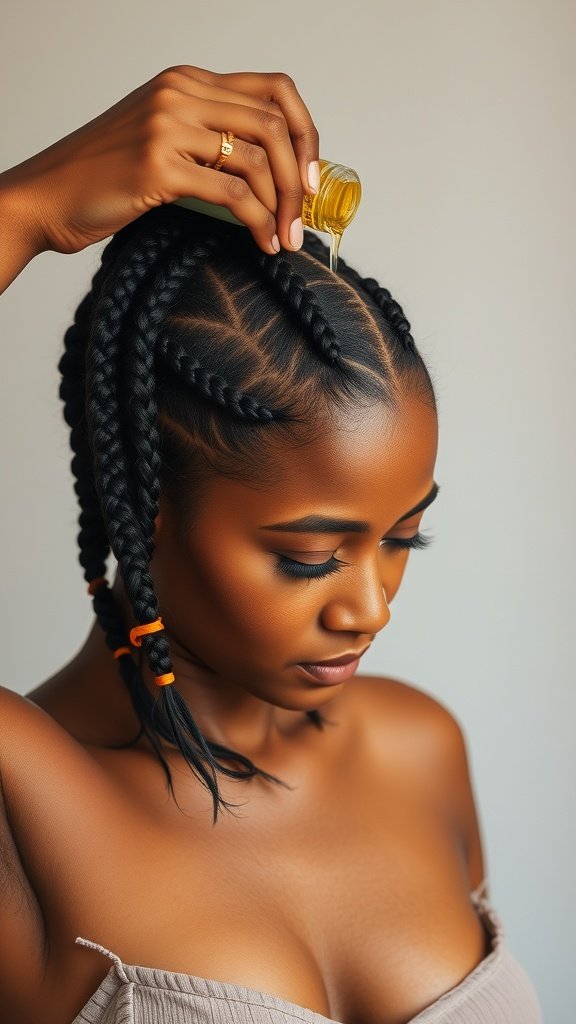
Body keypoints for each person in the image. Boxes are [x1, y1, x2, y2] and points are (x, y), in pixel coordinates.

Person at [0, 65, 542, 1024]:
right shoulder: (23, 801)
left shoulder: (418, 746)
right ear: (150, 508)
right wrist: (28, 209)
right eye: (310, 556)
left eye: (406, 538)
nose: (371, 607)